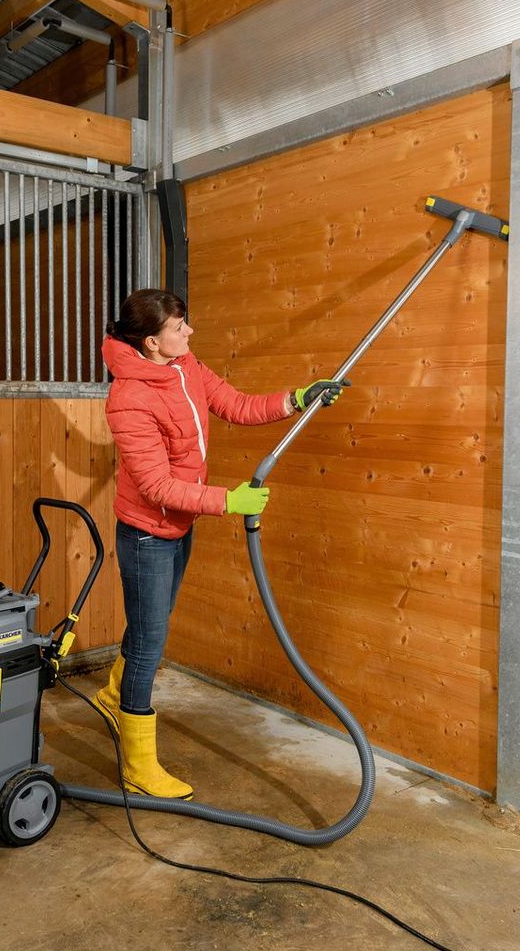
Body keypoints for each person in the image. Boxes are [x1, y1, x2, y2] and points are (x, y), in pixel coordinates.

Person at [94, 288, 346, 799]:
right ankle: (138, 764)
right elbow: (156, 486)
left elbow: (236, 404)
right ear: (151, 342)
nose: (189, 332)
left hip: (179, 525)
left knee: (149, 626)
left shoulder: (185, 366)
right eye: (178, 327)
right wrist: (229, 501)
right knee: (150, 642)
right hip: (146, 534)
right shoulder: (129, 398)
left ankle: (113, 696)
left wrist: (298, 398)